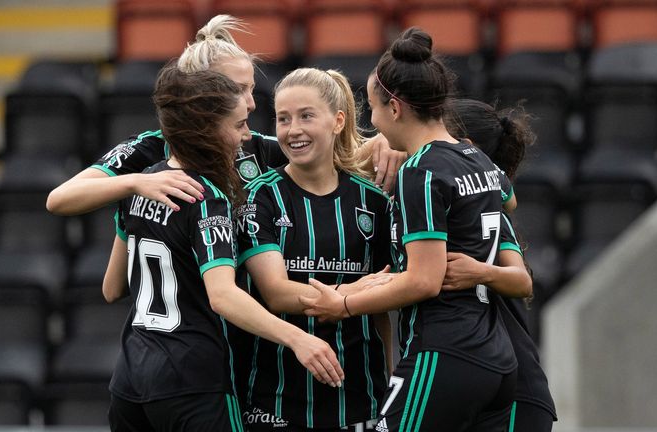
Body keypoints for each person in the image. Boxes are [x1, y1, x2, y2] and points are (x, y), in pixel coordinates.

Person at [102, 66, 344, 432]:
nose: (246, 136)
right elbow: (223, 297)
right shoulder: (206, 198)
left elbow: (111, 288)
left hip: (130, 381)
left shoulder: (140, 185)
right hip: (192, 382)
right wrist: (298, 338)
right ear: (206, 130)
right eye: (239, 125)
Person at [299, 28, 518, 431]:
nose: (372, 119)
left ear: (395, 108)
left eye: (373, 108)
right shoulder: (476, 158)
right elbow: (508, 199)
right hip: (495, 355)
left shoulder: (420, 170)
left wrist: (342, 305)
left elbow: (424, 282)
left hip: (445, 351)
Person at [45, 14, 405, 217]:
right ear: (200, 92)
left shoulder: (255, 148)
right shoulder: (151, 149)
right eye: (239, 90)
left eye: (251, 89)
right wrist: (136, 182)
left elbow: (338, 158)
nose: (251, 104)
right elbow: (60, 199)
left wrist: (384, 144)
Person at [235, 68, 393, 431]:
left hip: (361, 396)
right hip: (276, 399)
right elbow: (275, 293)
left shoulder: (372, 201)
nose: (293, 130)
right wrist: (349, 294)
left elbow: (383, 303)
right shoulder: (260, 195)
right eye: (283, 119)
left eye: (306, 116)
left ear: (338, 121)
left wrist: (388, 378)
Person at [444, 98, 557, 431]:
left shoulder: (486, 211)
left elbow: (522, 281)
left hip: (515, 393)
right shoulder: (436, 196)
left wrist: (479, 272)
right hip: (478, 387)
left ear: (468, 149)